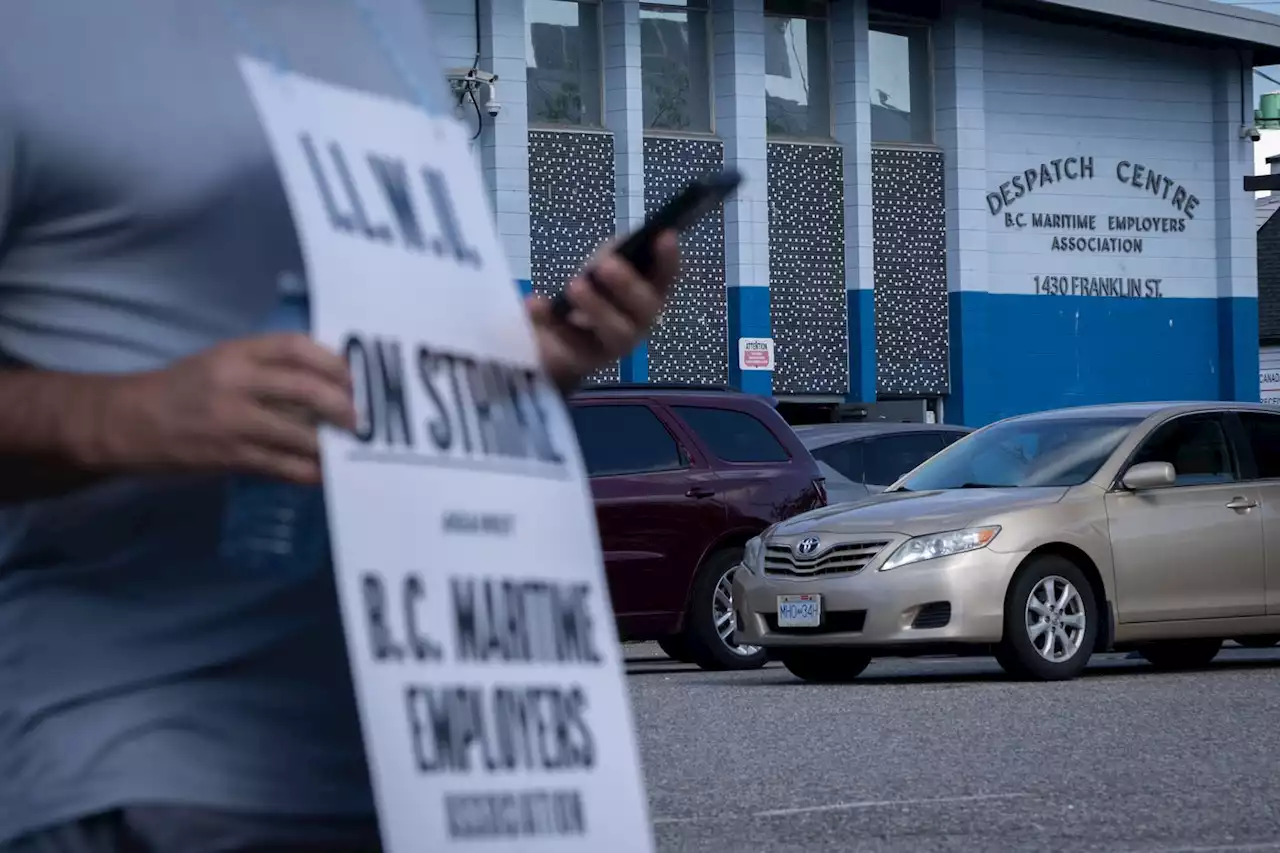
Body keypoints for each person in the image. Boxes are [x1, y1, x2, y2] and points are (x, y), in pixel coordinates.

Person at [0, 2, 679, 851]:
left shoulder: (387, 22)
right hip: (139, 768)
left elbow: (374, 350)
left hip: (436, 772)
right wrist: (114, 415)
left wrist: (522, 364)